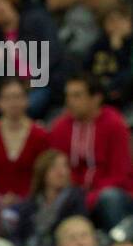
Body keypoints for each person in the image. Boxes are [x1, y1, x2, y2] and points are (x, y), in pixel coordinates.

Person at [48, 74, 133, 230]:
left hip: (108, 192)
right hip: (72, 192)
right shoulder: (60, 127)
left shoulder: (114, 124)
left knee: (109, 197)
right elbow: (54, 165)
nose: (70, 102)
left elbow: (120, 174)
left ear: (96, 98)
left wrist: (89, 197)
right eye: (68, 96)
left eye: (77, 96)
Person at [0, 0, 65, 119]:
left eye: (1, 1)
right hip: (16, 90)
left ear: (10, 1)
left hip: (45, 82)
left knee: (21, 109)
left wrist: (34, 76)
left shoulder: (36, 20)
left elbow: (53, 51)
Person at [0, 79, 50, 203]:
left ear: (26, 100)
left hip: (31, 203)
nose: (13, 103)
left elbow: (43, 175)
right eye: (7, 98)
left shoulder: (40, 135)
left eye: (17, 97)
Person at [12, 149, 88, 246]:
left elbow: (73, 237)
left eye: (65, 166)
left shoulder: (75, 200)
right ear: (43, 173)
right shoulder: (30, 204)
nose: (61, 172)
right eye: (54, 167)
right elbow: (19, 234)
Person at [86, 3, 133, 111]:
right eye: (111, 21)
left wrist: (118, 49)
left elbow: (127, 70)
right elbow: (86, 67)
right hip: (98, 88)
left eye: (120, 20)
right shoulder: (99, 45)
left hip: (122, 92)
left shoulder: (129, 44)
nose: (116, 25)